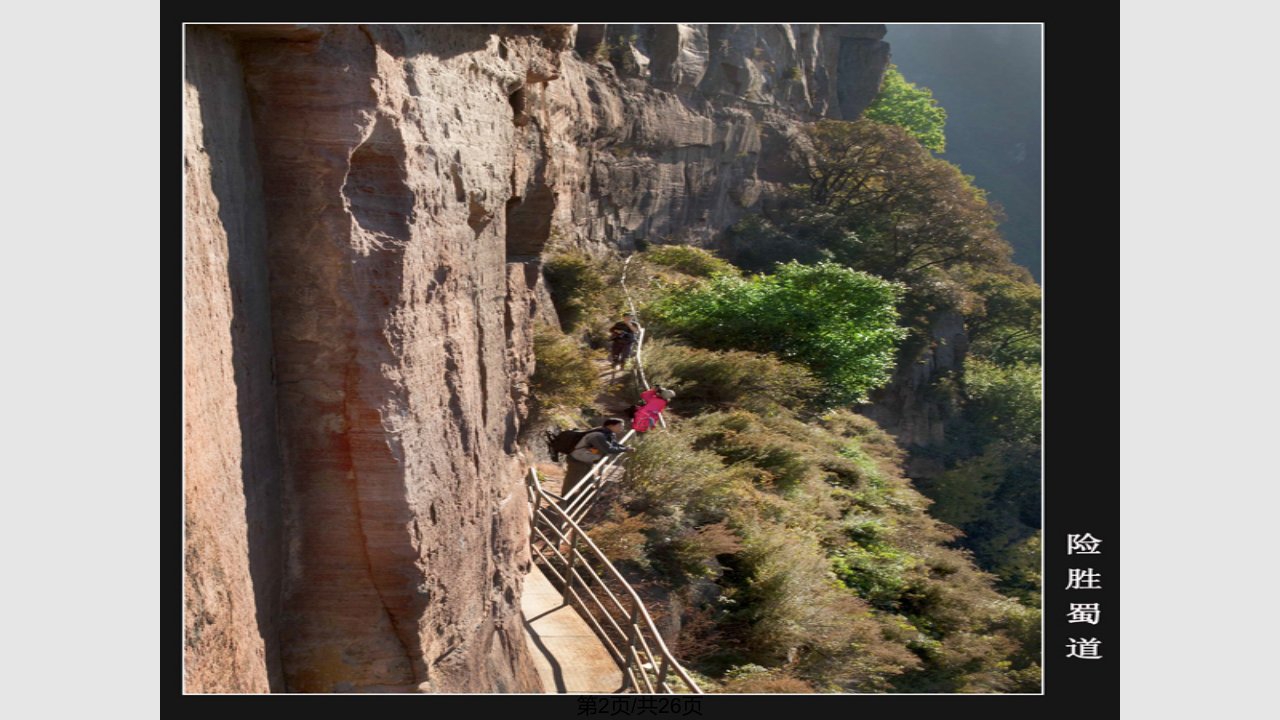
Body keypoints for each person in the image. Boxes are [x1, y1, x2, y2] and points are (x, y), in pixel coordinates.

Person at [564, 418, 634, 493]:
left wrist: (625, 448)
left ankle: (584, 497)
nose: (622, 428)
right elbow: (608, 449)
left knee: (588, 480)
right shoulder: (598, 435)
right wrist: (625, 449)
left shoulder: (608, 434)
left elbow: (614, 444)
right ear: (611, 426)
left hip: (585, 459)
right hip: (577, 460)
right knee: (572, 480)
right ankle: (564, 501)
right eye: (620, 426)